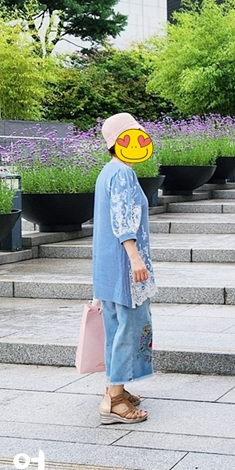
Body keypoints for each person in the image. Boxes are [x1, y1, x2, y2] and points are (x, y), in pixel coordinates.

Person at [93, 112, 156, 425]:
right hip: (123, 265)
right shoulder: (123, 174)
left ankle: (114, 388)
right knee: (129, 327)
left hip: (108, 266)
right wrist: (135, 257)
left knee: (115, 327)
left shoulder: (108, 171)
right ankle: (115, 400)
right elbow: (122, 219)